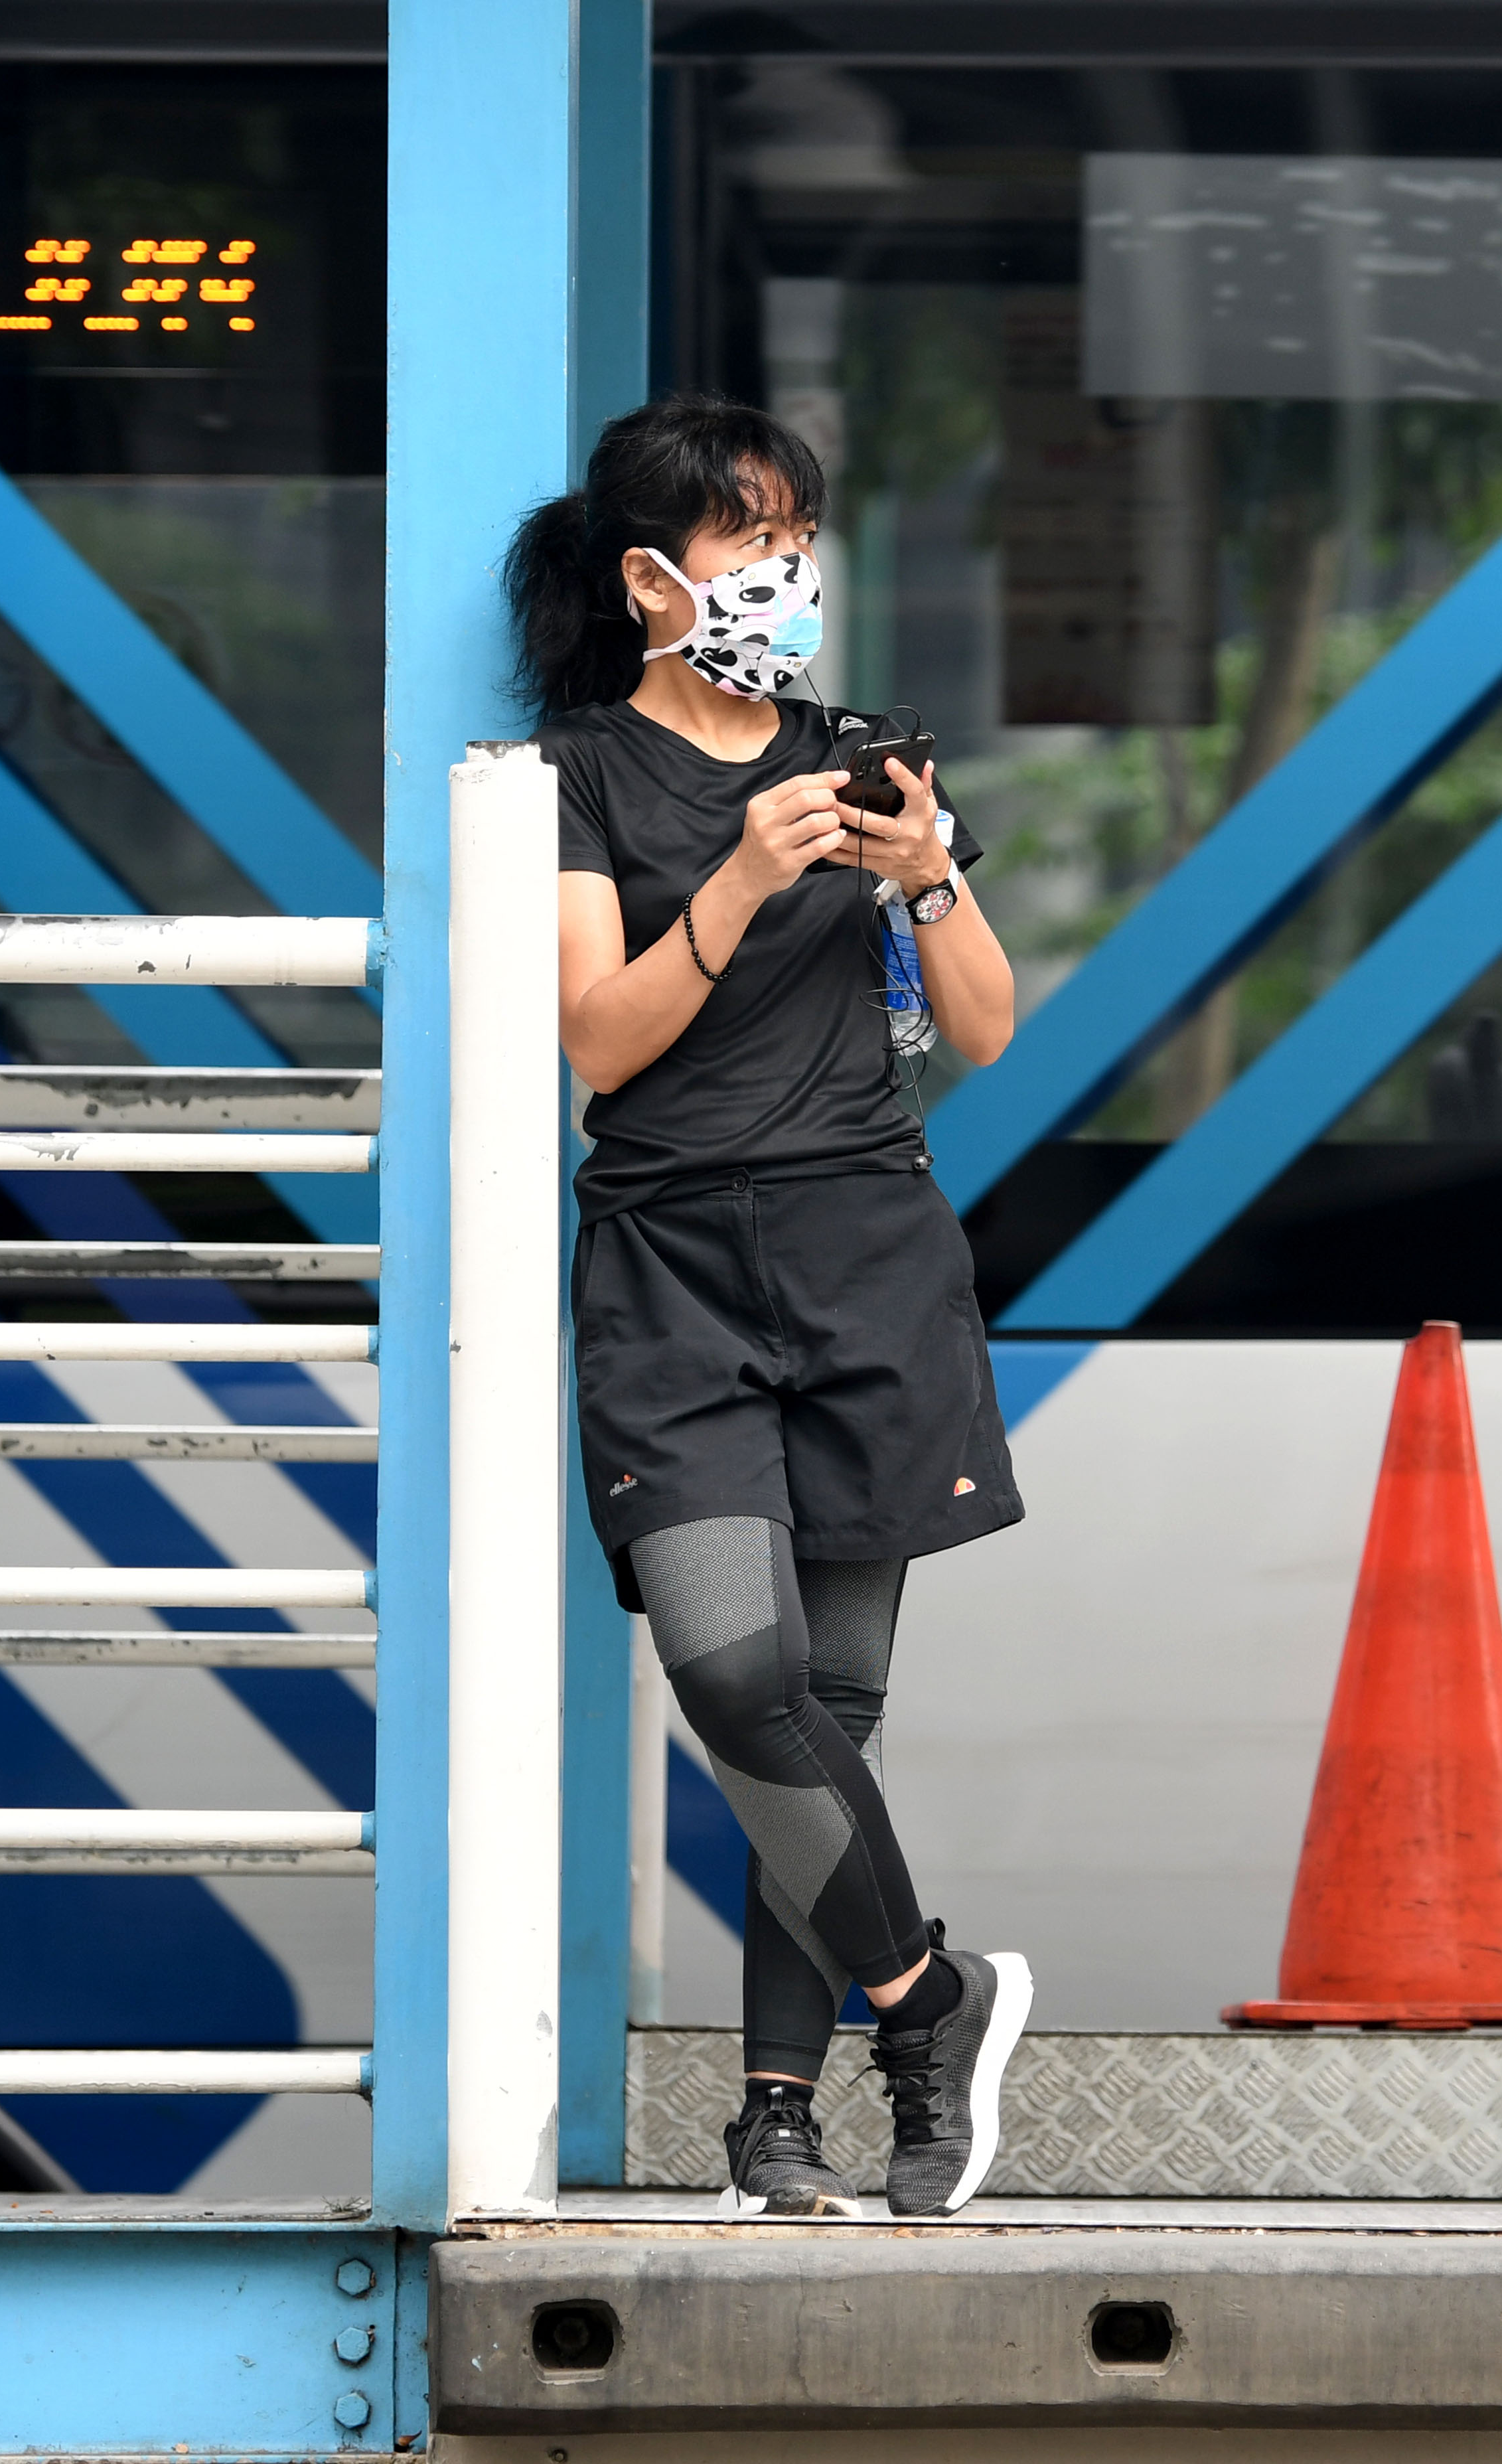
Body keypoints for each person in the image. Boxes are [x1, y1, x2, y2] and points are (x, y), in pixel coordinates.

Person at [510, 394, 1031, 2219]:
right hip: (669, 1269)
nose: (788, 572)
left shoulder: (873, 755)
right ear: (654, 576)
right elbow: (598, 1047)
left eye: (802, 535)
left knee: (825, 1719)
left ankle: (784, 2119)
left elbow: (980, 1027)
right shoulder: (571, 774)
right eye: (753, 539)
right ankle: (936, 2003)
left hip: (868, 1258)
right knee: (740, 1686)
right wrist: (740, 873)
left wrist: (928, 869)